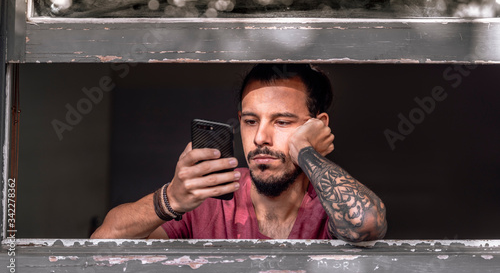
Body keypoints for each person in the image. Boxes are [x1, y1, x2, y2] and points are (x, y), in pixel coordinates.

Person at [91, 64, 387, 241]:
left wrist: (306, 152)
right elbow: (102, 241)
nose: (260, 137)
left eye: (282, 121)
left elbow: (367, 223)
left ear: (316, 126)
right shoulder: (210, 200)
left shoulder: (329, 202)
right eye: (250, 121)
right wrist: (172, 199)